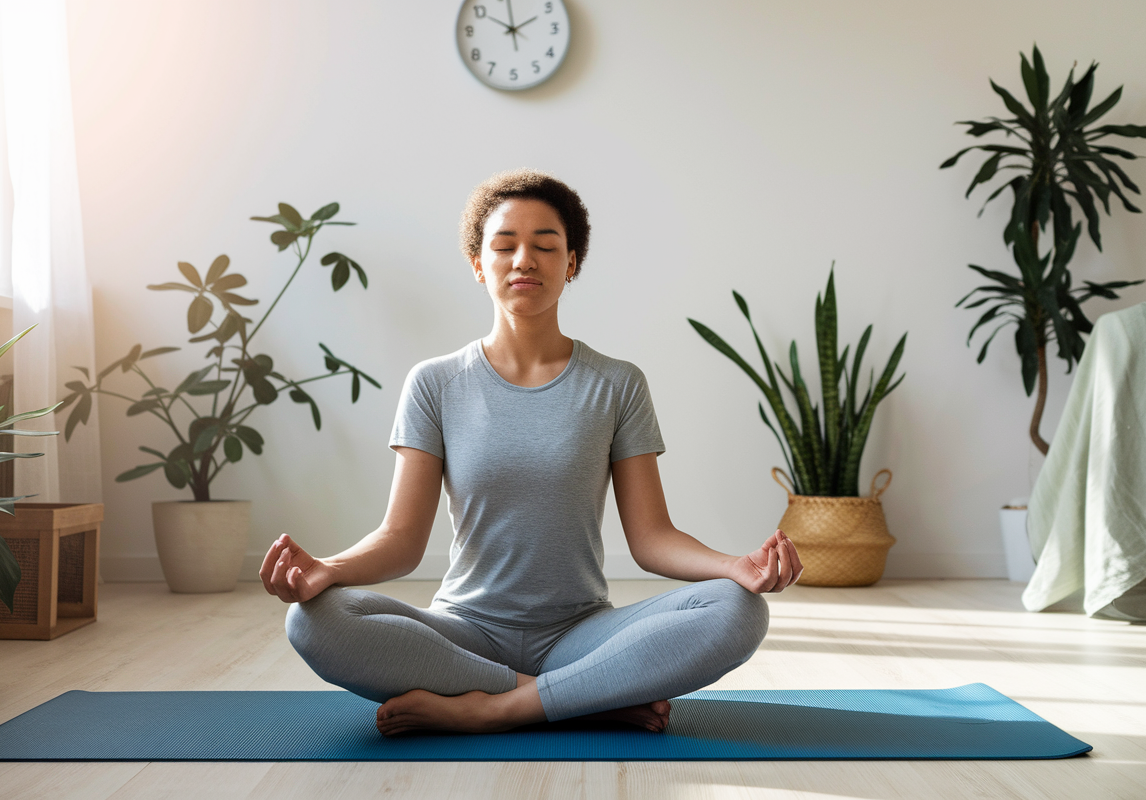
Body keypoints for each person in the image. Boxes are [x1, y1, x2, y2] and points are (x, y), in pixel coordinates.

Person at [261, 170, 802, 737]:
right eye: (504, 246)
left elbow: (651, 539)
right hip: (464, 634)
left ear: (570, 263)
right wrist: (327, 570)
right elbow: (401, 541)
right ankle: (584, 699)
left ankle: (492, 708)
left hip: (581, 634)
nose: (525, 260)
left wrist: (736, 568)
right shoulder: (434, 383)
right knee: (313, 620)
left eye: (546, 246)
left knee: (738, 609)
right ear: (478, 264)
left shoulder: (618, 384)